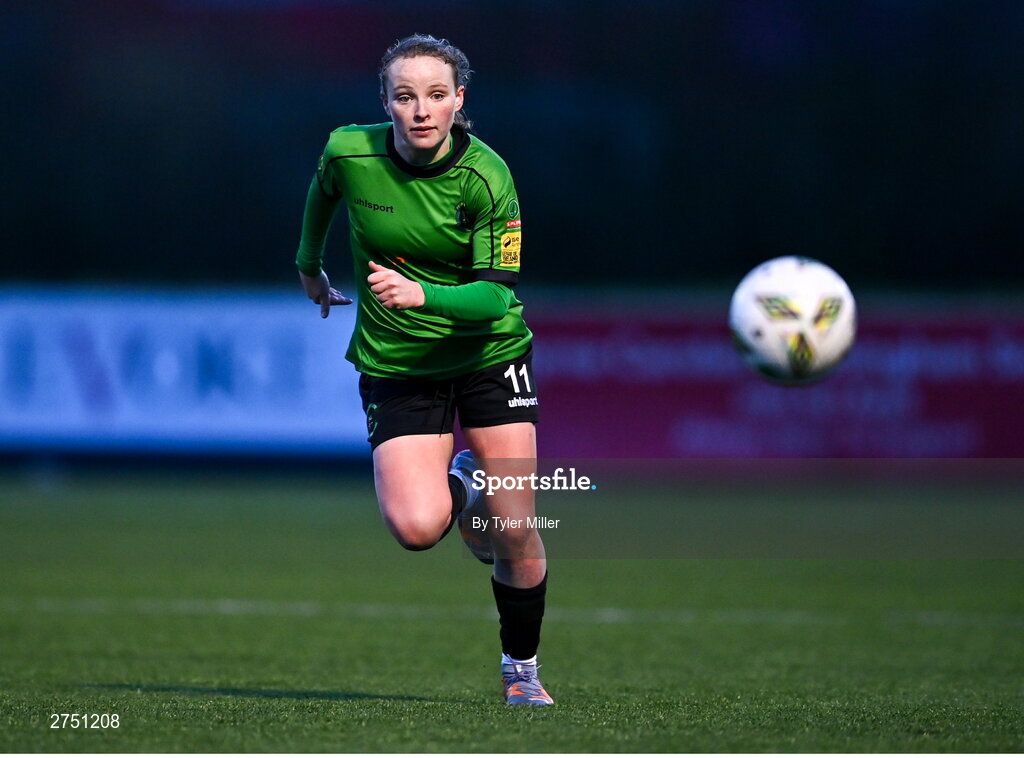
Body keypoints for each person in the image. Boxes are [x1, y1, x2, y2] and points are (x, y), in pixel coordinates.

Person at [294, 34, 552, 706]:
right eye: (405, 96)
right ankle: (463, 489)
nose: (421, 109)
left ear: (459, 100)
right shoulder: (350, 150)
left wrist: (423, 294)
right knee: (414, 529)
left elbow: (496, 295)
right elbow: (323, 194)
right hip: (399, 364)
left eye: (436, 95)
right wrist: (308, 266)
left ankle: (520, 672)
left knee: (517, 529)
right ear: (386, 101)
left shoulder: (487, 177)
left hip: (487, 353)